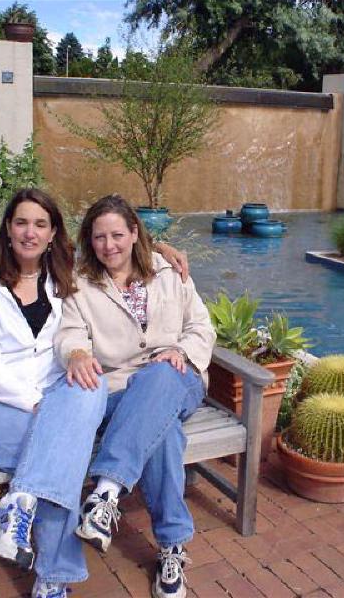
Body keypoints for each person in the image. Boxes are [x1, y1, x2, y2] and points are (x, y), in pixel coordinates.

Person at [0, 188, 189, 598]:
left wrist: (160, 249)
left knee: (90, 386)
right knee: (63, 454)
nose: (30, 232)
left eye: (40, 224)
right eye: (21, 222)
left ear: (53, 235)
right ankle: (54, 576)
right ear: (8, 229)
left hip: (57, 398)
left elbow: (116, 245)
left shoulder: (63, 275)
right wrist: (37, 403)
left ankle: (21, 504)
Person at [56, 194, 216, 598]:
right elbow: (71, 333)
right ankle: (172, 547)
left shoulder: (169, 271)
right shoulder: (81, 284)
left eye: (117, 235)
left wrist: (179, 350)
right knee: (164, 436)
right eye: (99, 238)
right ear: (89, 241)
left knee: (160, 375)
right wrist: (75, 352)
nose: (109, 246)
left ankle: (105, 491)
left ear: (134, 233)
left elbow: (202, 328)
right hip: (119, 389)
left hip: (178, 376)